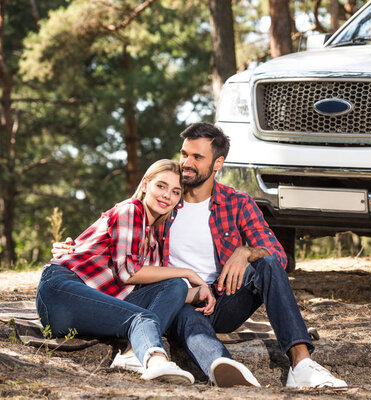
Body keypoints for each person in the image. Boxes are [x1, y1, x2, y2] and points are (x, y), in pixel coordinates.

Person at [54, 124, 347, 388]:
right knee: (181, 299)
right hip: (177, 298)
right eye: (185, 154)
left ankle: (302, 364)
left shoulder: (237, 202)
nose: (187, 163)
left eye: (197, 157)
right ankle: (221, 363)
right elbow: (121, 226)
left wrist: (246, 252)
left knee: (267, 263)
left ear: (218, 163)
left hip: (224, 298)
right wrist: (76, 247)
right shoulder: (164, 201)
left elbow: (279, 258)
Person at [40, 159, 216, 385]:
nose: (166, 196)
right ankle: (156, 360)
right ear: (145, 185)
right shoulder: (131, 209)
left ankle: (131, 355)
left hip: (97, 305)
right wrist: (189, 273)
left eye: (175, 191)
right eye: (160, 186)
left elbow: (153, 293)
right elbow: (128, 273)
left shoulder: (151, 243)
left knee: (176, 285)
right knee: (144, 315)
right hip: (62, 292)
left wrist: (201, 292)